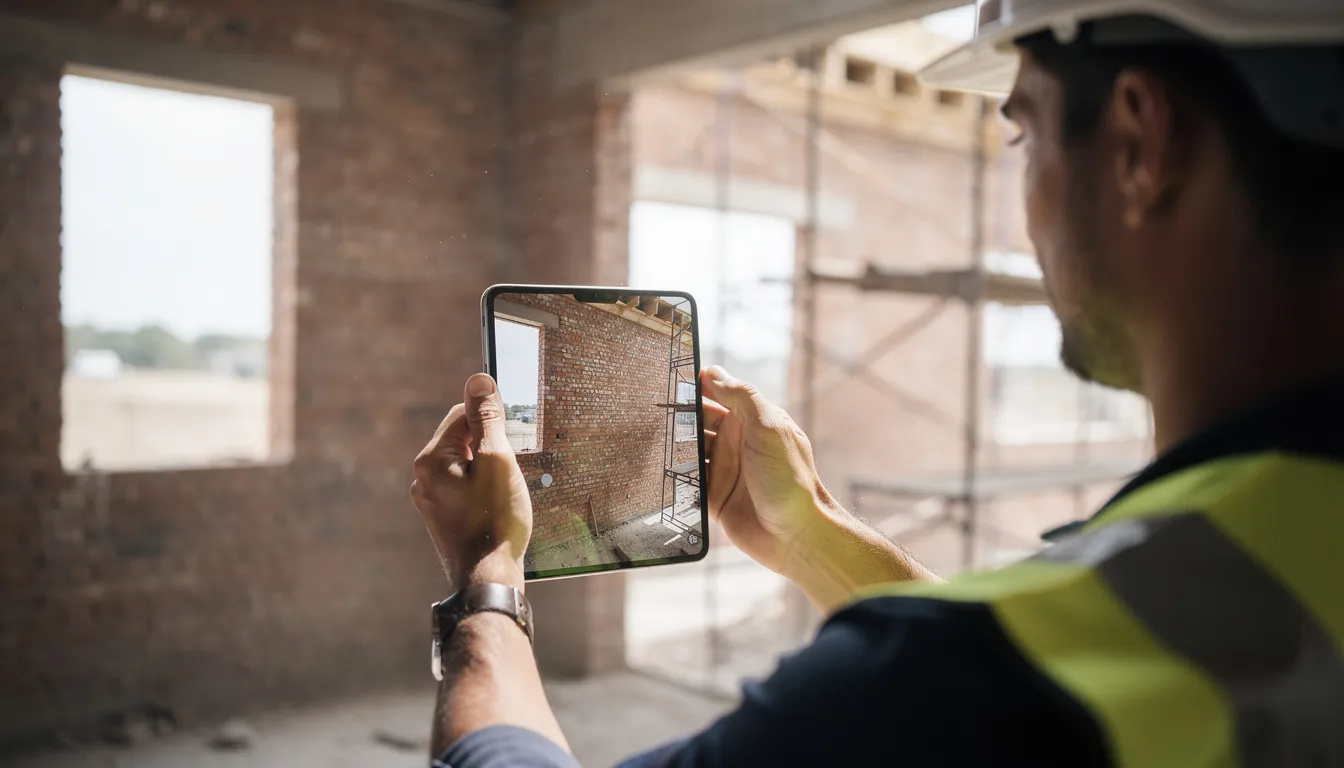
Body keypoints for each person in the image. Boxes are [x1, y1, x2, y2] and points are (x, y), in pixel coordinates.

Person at [410, 1, 1344, 765]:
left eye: (1023, 135)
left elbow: (994, 678)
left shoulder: (945, 690)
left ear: (1141, 144)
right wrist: (811, 531)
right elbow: (1033, 664)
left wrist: (487, 580)